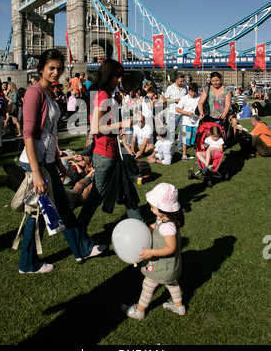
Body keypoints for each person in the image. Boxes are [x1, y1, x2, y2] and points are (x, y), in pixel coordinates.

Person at [18, 49, 106, 273]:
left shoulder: (50, 93)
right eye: (51, 68)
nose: (56, 72)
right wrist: (36, 172)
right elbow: (28, 134)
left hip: (47, 162)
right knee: (38, 214)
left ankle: (83, 249)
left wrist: (57, 162)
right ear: (41, 69)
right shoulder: (34, 93)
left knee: (64, 208)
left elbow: (50, 133)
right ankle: (28, 264)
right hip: (34, 163)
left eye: (59, 68)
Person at [77, 58, 144, 231]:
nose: (119, 79)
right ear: (109, 75)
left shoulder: (99, 93)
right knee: (97, 196)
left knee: (126, 188)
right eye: (117, 76)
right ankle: (78, 230)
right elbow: (96, 128)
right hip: (105, 154)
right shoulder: (103, 95)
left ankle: (139, 225)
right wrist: (123, 123)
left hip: (110, 152)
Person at [121, 183, 185, 320]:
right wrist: (146, 230)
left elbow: (170, 248)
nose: (150, 209)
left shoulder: (168, 227)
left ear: (163, 208)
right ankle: (179, 307)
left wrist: (151, 252)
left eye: (153, 207)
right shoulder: (164, 218)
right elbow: (154, 225)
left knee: (147, 285)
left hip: (160, 265)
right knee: (172, 283)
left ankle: (139, 310)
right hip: (170, 266)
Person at [164, 74, 188, 151]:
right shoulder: (170, 88)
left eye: (183, 81)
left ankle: (180, 146)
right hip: (173, 111)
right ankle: (170, 145)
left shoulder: (185, 87)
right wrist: (175, 100)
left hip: (183, 112)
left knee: (182, 130)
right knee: (171, 130)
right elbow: (165, 99)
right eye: (181, 81)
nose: (182, 82)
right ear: (176, 80)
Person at [176, 82, 200, 160]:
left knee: (195, 140)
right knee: (185, 139)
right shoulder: (184, 98)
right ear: (189, 91)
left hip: (196, 123)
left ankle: (197, 155)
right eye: (192, 91)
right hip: (186, 123)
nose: (193, 93)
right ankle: (184, 154)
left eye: (195, 92)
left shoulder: (199, 98)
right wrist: (187, 113)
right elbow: (178, 109)